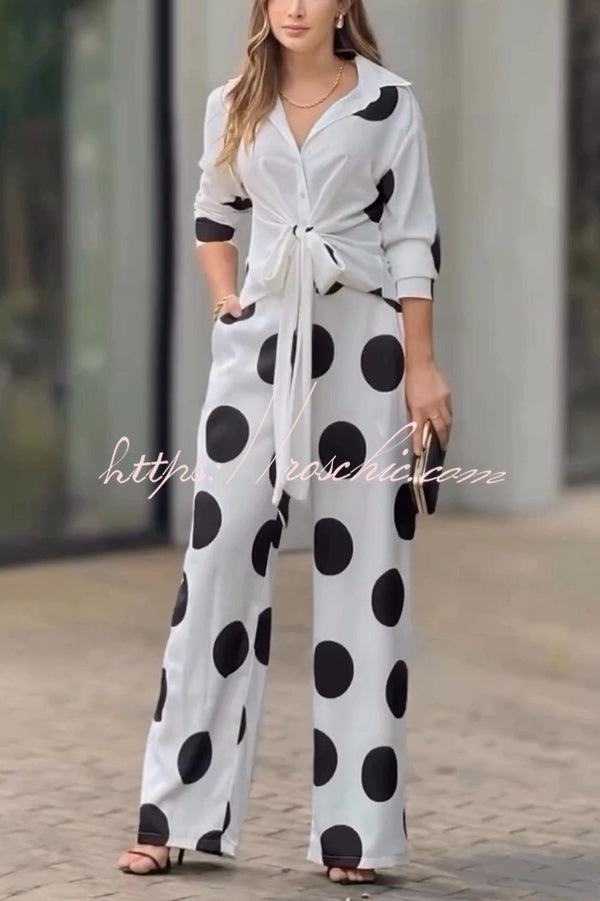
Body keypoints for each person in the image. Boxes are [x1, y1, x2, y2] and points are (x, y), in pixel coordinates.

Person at [118, 0, 452, 887]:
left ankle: (356, 833)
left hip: (365, 351)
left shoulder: (387, 102)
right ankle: (175, 814)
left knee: (366, 578)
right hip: (259, 348)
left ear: (345, 4)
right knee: (216, 561)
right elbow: (212, 213)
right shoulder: (234, 100)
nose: (294, 6)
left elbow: (413, 237)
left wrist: (422, 367)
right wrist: (226, 301)